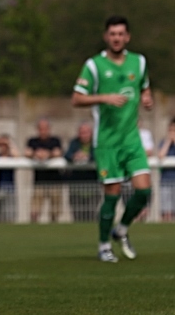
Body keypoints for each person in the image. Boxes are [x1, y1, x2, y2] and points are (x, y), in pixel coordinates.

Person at [72, 15, 153, 263]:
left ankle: (122, 229)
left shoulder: (138, 62)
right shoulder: (94, 65)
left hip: (132, 139)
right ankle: (104, 244)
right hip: (107, 141)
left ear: (127, 37)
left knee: (143, 191)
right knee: (112, 195)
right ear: (106, 36)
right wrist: (104, 98)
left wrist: (147, 99)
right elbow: (77, 98)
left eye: (121, 34)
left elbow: (145, 87)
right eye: (112, 34)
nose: (116, 38)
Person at [25, 118, 64, 223]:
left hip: (55, 181)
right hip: (39, 181)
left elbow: (57, 153)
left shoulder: (55, 140)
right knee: (35, 210)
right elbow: (27, 153)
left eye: (45, 128)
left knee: (55, 211)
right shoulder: (32, 141)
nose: (43, 131)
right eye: (41, 129)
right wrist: (36, 154)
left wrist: (48, 154)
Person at [64, 122, 99, 222]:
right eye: (81, 132)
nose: (84, 135)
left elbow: (99, 155)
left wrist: (88, 157)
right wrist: (74, 156)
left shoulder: (96, 143)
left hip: (92, 185)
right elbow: (67, 155)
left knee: (91, 215)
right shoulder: (74, 142)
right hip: (76, 185)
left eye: (86, 132)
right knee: (77, 215)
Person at [157, 118, 175, 222]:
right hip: (166, 181)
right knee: (166, 211)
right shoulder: (163, 142)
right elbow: (161, 155)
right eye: (170, 130)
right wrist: (168, 142)